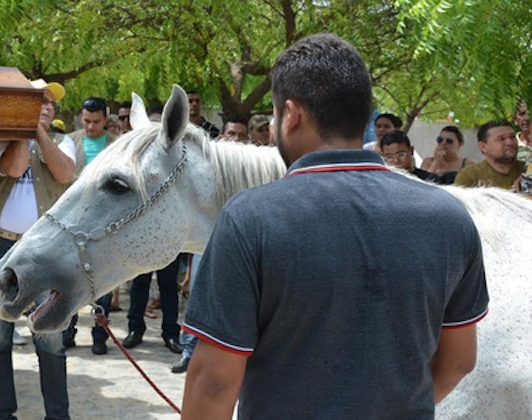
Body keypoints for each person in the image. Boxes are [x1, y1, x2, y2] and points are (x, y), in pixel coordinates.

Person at [181, 33, 488, 419]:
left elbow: (214, 382)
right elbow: (459, 361)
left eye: (275, 116)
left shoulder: (251, 219)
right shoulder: (448, 217)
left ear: (290, 115)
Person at [0, 78, 73, 419]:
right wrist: (23, 131)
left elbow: (64, 173)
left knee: (52, 342)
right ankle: (3, 414)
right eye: (38, 102)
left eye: (49, 104)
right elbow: (14, 167)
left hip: (47, 254)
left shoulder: (63, 142)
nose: (46, 107)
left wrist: (40, 134)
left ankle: (57, 415)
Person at [61, 96, 117, 355]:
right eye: (86, 121)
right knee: (68, 279)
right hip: (73, 222)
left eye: (96, 122)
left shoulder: (117, 145)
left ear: (106, 119)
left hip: (104, 224)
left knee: (102, 283)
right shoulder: (68, 142)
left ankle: (99, 334)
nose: (91, 127)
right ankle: (68, 330)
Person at [454, 120, 524, 189]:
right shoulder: (469, 176)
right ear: (483, 147)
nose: (510, 142)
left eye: (512, 137)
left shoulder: (528, 171)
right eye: (501, 139)